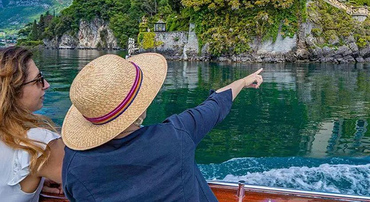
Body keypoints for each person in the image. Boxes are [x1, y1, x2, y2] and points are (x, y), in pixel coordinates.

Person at [62, 53, 263, 201]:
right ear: (139, 111)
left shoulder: (74, 165)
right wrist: (244, 81)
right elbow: (216, 104)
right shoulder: (176, 135)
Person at [0, 46, 64, 202]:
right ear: (12, 91)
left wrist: (34, 182)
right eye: (38, 80)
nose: (46, 84)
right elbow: (95, 178)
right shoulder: (37, 143)